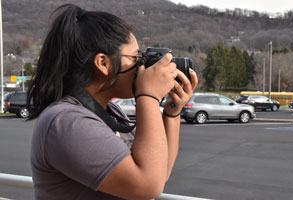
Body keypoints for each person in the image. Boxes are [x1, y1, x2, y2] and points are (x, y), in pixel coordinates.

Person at [27, 4, 198, 200]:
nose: (141, 65)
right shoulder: (66, 121)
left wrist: (172, 111)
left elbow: (159, 172)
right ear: (103, 63)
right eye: (135, 57)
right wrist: (149, 97)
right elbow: (148, 185)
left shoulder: (111, 112)